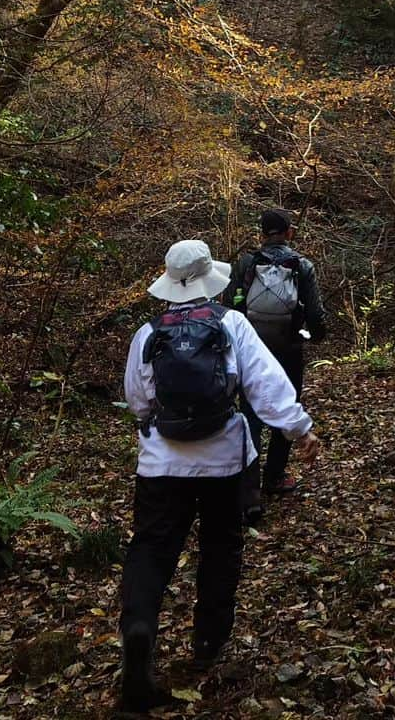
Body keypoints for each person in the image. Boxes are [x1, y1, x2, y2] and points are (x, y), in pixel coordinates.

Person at [119, 238, 320, 713]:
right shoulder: (232, 324)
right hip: (224, 462)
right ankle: (207, 644)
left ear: (168, 282)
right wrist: (300, 431)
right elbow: (266, 385)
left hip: (160, 465)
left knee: (151, 548)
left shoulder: (148, 334)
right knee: (220, 546)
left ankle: (140, 630)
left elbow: (138, 402)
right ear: (210, 278)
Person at [228, 209, 327, 502]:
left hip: (250, 349)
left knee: (250, 414)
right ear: (289, 232)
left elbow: (229, 307)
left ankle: (249, 488)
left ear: (261, 234)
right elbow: (314, 313)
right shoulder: (301, 265)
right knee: (287, 403)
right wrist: (317, 335)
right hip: (289, 348)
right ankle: (275, 476)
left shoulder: (246, 263)